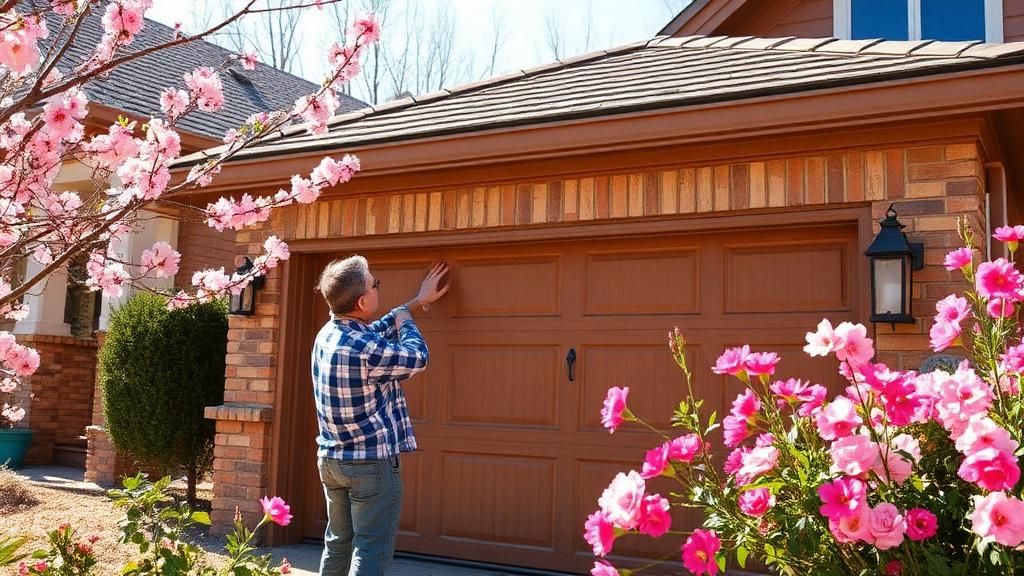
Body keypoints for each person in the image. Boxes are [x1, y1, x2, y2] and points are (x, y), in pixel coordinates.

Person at [312, 256, 450, 575]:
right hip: (370, 466)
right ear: (362, 301)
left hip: (332, 462)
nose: (377, 286)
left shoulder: (328, 335)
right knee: (370, 548)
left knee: (338, 543)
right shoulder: (366, 348)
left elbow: (374, 330)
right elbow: (418, 358)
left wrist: (413, 303)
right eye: (374, 283)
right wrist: (406, 321)